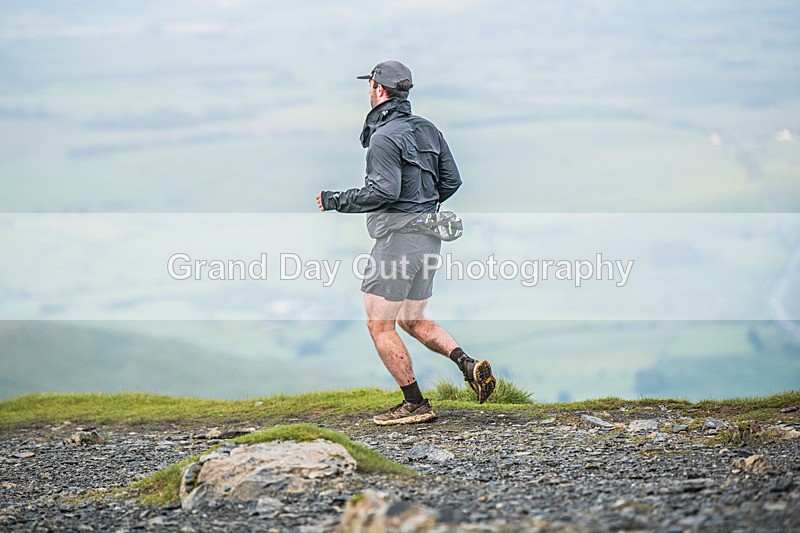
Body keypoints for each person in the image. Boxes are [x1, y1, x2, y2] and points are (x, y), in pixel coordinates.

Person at [315, 60, 495, 426]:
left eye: (369, 85)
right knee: (413, 318)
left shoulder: (383, 138)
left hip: (397, 241)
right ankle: (468, 364)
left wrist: (335, 200)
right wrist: (423, 208)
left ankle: (415, 403)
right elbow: (452, 181)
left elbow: (384, 191)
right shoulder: (428, 129)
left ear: (379, 90)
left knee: (379, 325)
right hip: (429, 240)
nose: (368, 91)